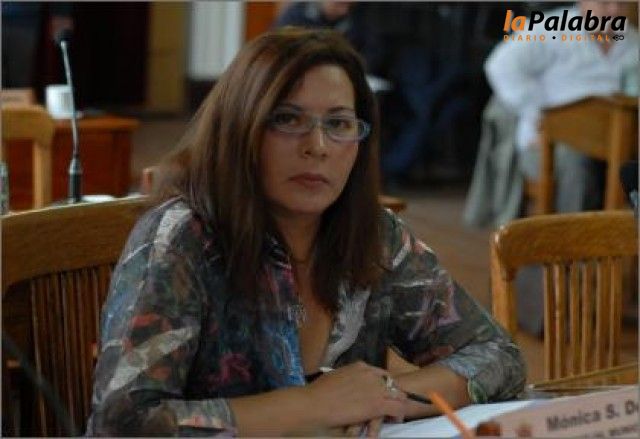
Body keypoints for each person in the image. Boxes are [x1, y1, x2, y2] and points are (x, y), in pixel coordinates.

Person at [87, 28, 525, 437]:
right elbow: (123, 423)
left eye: (339, 124)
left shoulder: (377, 236)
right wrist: (313, 405)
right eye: (288, 119)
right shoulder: (180, 240)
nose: (317, 146)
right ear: (241, 127)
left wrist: (385, 396)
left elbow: (497, 356)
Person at [484, 1, 639, 214]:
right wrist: (535, 112)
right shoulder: (550, 29)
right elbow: (500, 65)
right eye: (604, 3)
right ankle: (571, 233)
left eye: (620, 4)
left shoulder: (633, 41)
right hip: (549, 142)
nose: (613, 11)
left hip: (614, 142)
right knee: (574, 162)